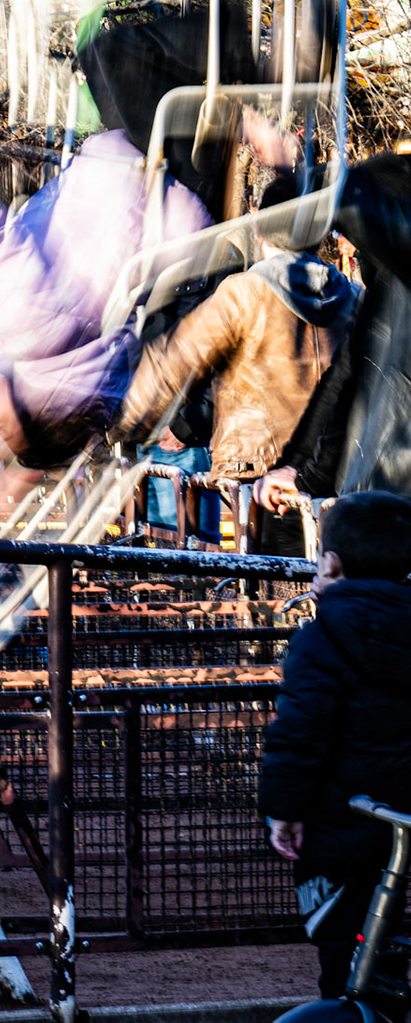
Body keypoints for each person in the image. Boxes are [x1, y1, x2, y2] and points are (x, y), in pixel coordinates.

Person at [0, 9, 265, 468]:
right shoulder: (26, 336)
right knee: (110, 54)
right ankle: (266, 60)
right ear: (37, 409)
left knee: (116, 64)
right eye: (4, 427)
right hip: (153, 180)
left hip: (160, 195)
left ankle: (248, 62)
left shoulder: (57, 364)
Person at [116, 175, 358, 554]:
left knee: (261, 595)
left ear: (258, 226)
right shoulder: (352, 297)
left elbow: (174, 367)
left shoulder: (243, 293)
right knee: (316, 587)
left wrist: (103, 422)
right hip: (335, 482)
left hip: (258, 480)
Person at [259, 491, 411, 1000]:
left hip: (344, 821)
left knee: (348, 953)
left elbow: (298, 735)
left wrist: (284, 810)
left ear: (330, 561)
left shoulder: (320, 639)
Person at [258, 152, 411, 516]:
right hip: (366, 492)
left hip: (393, 499)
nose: (350, 242)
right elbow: (342, 380)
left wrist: (300, 172)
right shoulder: (378, 292)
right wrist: (296, 467)